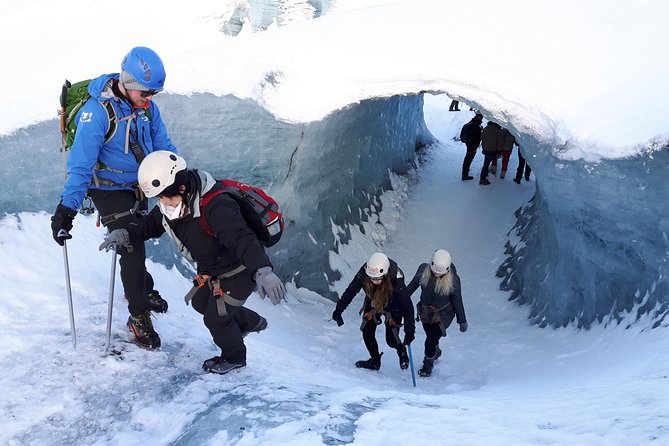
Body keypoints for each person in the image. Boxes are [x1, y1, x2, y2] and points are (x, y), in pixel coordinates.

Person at [99, 151, 286, 374]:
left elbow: (242, 239)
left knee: (216, 319)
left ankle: (234, 357)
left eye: (165, 197)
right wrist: (125, 234)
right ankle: (250, 322)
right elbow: (148, 225)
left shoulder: (216, 206)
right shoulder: (171, 206)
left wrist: (262, 271)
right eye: (158, 198)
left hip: (240, 270)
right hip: (212, 269)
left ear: (182, 188)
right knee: (199, 302)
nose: (163, 203)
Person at [50, 47, 178, 349]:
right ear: (129, 84)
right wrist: (66, 209)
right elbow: (80, 165)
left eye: (153, 94)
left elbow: (163, 146)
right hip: (107, 189)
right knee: (130, 245)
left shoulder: (147, 109)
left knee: (138, 239)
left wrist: (177, 178)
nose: (149, 99)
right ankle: (138, 316)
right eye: (145, 92)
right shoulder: (97, 113)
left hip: (139, 185)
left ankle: (141, 288)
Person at [331, 253, 415, 371]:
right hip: (373, 302)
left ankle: (401, 351)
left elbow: (407, 307)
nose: (374, 281)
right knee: (367, 332)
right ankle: (375, 361)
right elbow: (352, 289)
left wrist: (410, 331)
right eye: (371, 278)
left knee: (391, 340)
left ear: (385, 274)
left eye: (378, 279)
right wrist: (339, 309)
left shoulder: (397, 278)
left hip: (393, 305)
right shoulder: (366, 270)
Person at [405, 250, 467, 377]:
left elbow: (457, 301)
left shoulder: (453, 280)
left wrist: (462, 320)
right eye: (435, 272)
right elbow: (410, 288)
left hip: (444, 315)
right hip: (425, 313)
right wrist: (400, 302)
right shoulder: (423, 271)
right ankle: (436, 351)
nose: (437, 275)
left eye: (441, 273)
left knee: (430, 340)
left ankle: (427, 365)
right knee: (430, 335)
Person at [459, 113, 484, 181]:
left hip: (469, 144)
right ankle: (465, 175)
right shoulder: (475, 126)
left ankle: (465, 173)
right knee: (468, 159)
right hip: (472, 146)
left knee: (467, 159)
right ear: (478, 117)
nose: (482, 118)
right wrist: (475, 146)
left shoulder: (471, 123)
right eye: (481, 117)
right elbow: (476, 137)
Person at [479, 121, 502, 185]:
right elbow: (499, 142)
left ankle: (485, 173)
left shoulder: (486, 128)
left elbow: (482, 138)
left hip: (486, 149)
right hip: (493, 150)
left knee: (486, 162)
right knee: (486, 164)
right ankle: (482, 179)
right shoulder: (497, 130)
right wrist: (500, 152)